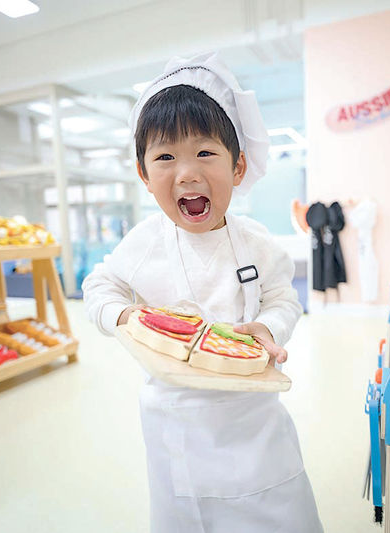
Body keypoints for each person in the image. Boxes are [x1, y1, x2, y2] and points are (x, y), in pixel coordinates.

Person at [82, 52, 323, 533]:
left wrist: (268, 327)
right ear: (144, 175)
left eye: (204, 153)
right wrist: (124, 317)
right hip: (176, 425)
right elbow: (98, 284)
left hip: (255, 420)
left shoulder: (257, 242)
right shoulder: (145, 242)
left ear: (237, 167)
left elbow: (283, 299)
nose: (187, 173)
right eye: (166, 157)